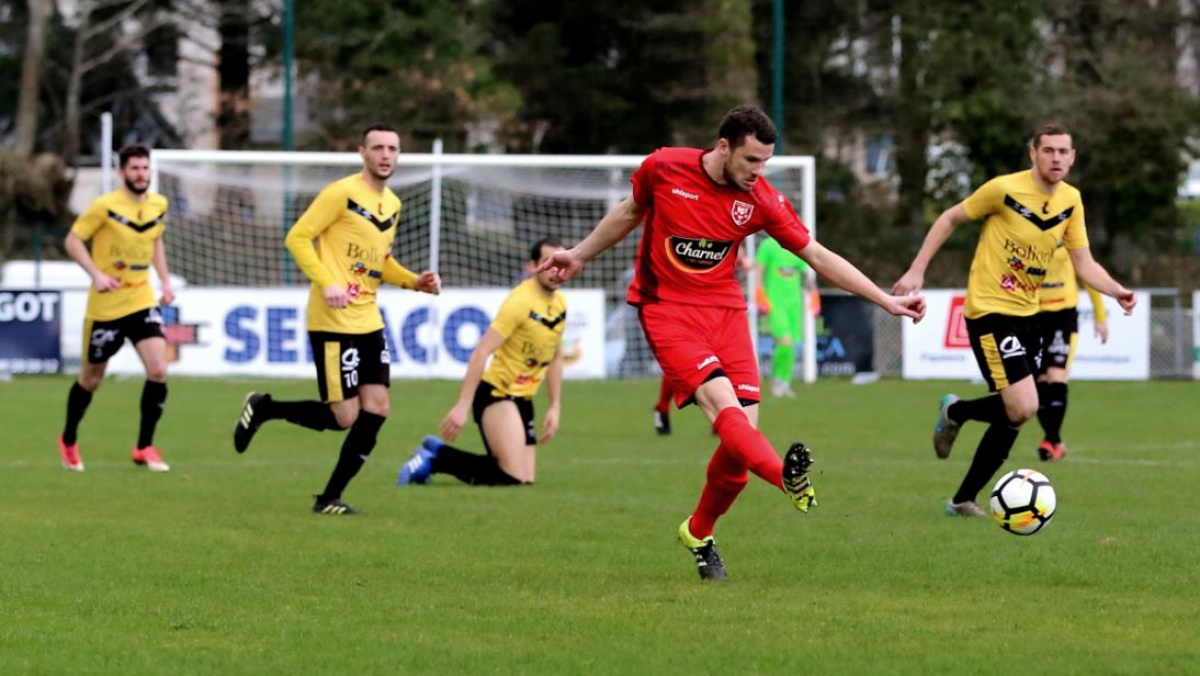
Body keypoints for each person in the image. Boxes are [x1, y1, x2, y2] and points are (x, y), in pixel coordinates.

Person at [539, 106, 926, 580]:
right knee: (725, 407)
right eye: (751, 160)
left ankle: (698, 532)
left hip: (726, 314)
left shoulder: (761, 199)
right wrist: (579, 254)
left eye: (765, 162)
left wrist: (885, 300)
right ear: (723, 147)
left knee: (740, 454)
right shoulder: (665, 167)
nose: (758, 171)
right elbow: (629, 212)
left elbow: (818, 256)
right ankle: (785, 478)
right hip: (667, 310)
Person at [892, 123, 1136, 517]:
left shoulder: (1071, 200)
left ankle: (961, 491)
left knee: (1017, 413)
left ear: (1073, 157)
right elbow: (950, 218)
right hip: (989, 310)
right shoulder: (1004, 189)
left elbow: (1084, 263)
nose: (1056, 157)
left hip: (1029, 314)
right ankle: (957, 429)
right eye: (1048, 150)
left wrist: (1116, 291)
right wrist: (917, 269)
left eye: (1063, 151)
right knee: (1023, 406)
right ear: (1033, 153)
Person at [232, 123, 441, 515]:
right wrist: (327, 282)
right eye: (377, 147)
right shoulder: (340, 193)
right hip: (332, 320)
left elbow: (381, 262)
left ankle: (329, 498)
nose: (386, 155)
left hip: (369, 320)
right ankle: (265, 408)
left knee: (377, 408)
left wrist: (415, 282)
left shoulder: (392, 204)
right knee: (344, 417)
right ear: (362, 152)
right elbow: (297, 237)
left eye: (392, 148)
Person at [397, 237, 566, 486]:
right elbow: (481, 351)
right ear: (532, 266)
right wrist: (462, 405)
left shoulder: (560, 303)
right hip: (498, 393)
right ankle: (433, 460)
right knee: (512, 477)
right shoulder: (520, 302)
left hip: (524, 398)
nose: (555, 270)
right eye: (547, 262)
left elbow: (556, 354)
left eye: (559, 263)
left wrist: (555, 405)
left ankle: (439, 450)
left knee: (526, 479)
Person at [58, 144, 174, 473]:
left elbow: (155, 240)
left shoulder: (158, 204)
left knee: (159, 370)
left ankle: (144, 447)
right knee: (92, 378)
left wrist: (165, 281)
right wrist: (96, 275)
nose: (140, 174)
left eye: (144, 168)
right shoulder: (105, 206)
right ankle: (68, 439)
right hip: (107, 306)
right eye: (134, 168)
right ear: (121, 172)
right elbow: (72, 241)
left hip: (141, 299)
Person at [1033, 247, 1109, 461]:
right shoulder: (1029, 239)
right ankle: (1054, 441)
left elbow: (1088, 274)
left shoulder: (1069, 239)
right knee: (1040, 382)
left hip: (1063, 315)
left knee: (1056, 377)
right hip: (1033, 314)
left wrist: (1100, 315)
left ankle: (1050, 440)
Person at [756, 234, 815, 397]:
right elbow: (759, 269)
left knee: (792, 345)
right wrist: (759, 293)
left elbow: (805, 272)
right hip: (775, 302)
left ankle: (784, 382)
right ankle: (777, 379)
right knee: (785, 341)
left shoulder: (796, 244)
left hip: (794, 304)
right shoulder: (768, 245)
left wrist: (814, 294)